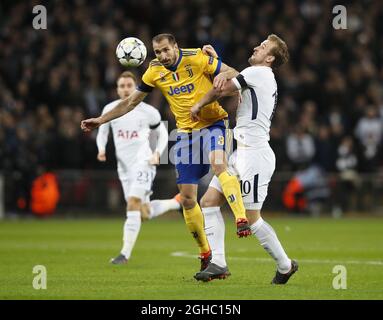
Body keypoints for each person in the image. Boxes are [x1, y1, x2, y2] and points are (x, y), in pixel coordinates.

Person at [81, 33, 251, 277]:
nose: (162, 55)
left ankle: (241, 218)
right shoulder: (153, 72)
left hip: (214, 123)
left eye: (165, 50)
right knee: (188, 198)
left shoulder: (197, 57)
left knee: (218, 164)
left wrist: (219, 67)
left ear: (175, 47)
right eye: (157, 52)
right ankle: (205, 253)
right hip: (184, 134)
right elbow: (129, 103)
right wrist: (100, 119)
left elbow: (235, 73)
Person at [190, 34, 298, 284]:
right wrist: (218, 64)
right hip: (241, 152)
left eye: (262, 47)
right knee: (208, 201)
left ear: (270, 58)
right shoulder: (256, 75)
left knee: (252, 218)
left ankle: (285, 265)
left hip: (256, 155)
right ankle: (218, 263)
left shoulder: (259, 73)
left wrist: (197, 105)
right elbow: (235, 77)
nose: (255, 46)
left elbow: (223, 89)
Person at [96, 71, 180, 264]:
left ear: (136, 88)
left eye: (129, 86)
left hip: (144, 162)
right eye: (122, 86)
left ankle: (124, 254)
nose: (126, 89)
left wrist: (158, 152)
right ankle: (176, 203)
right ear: (117, 89)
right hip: (124, 167)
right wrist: (101, 149)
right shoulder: (110, 109)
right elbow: (103, 130)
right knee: (142, 213)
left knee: (132, 203)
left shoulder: (148, 111)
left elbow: (162, 133)